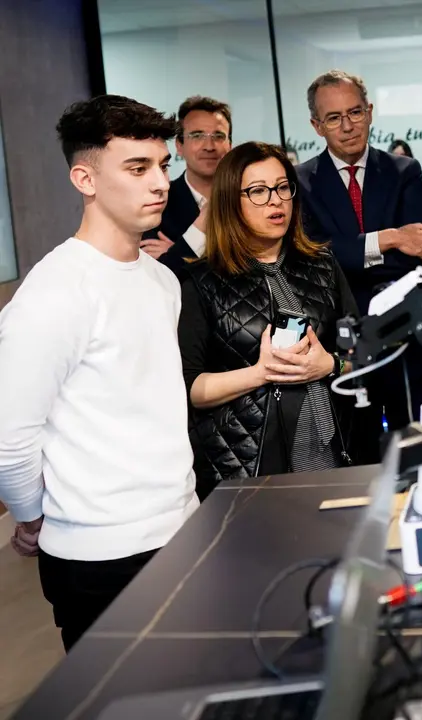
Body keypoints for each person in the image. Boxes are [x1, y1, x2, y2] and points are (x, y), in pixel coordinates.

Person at [0, 96, 198, 650]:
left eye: (162, 165)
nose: (159, 183)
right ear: (84, 178)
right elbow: (11, 442)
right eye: (137, 169)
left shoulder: (161, 282)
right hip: (100, 557)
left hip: (184, 526)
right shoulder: (53, 293)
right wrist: (33, 517)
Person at [179, 142, 357, 497]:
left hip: (331, 453)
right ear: (231, 201)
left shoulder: (323, 266)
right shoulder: (201, 282)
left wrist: (332, 365)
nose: (275, 201)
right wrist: (260, 373)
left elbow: (361, 357)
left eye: (282, 187)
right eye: (258, 191)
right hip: (244, 466)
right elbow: (191, 389)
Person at [295, 70, 422, 453]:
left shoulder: (405, 171)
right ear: (316, 126)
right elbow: (313, 257)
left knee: (417, 444)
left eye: (355, 112)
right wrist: (388, 237)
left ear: (370, 112)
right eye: (334, 118)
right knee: (360, 450)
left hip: (404, 334)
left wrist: (348, 253)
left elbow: (413, 257)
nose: (348, 126)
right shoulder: (300, 182)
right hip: (341, 340)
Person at [144, 96, 232, 272]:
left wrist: (177, 252)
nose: (209, 146)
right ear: (179, 145)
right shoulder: (158, 203)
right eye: (197, 135)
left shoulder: (248, 199)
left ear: (229, 144)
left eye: (218, 136)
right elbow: (160, 273)